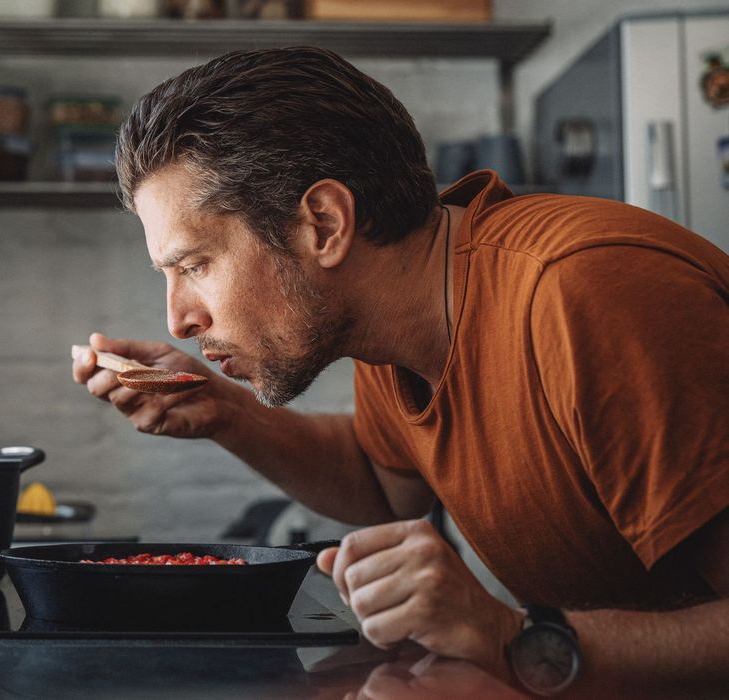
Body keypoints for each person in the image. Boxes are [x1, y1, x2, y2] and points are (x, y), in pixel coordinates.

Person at [72, 47, 729, 697]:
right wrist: (227, 413)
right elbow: (387, 489)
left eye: (194, 266)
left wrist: (511, 637)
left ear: (323, 225)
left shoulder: (588, 294)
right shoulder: (392, 321)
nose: (179, 320)